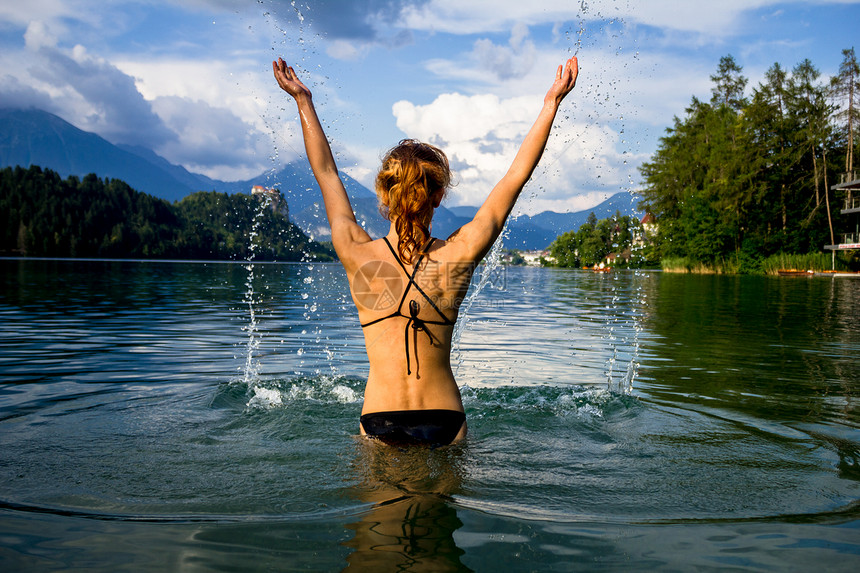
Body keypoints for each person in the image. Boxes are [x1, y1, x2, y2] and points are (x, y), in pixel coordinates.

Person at [273, 54, 578, 447]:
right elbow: (516, 175)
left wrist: (303, 101)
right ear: (437, 197)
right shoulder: (458, 254)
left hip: (380, 418)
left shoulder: (356, 252)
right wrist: (551, 103)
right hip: (445, 418)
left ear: (384, 193)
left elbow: (326, 171)